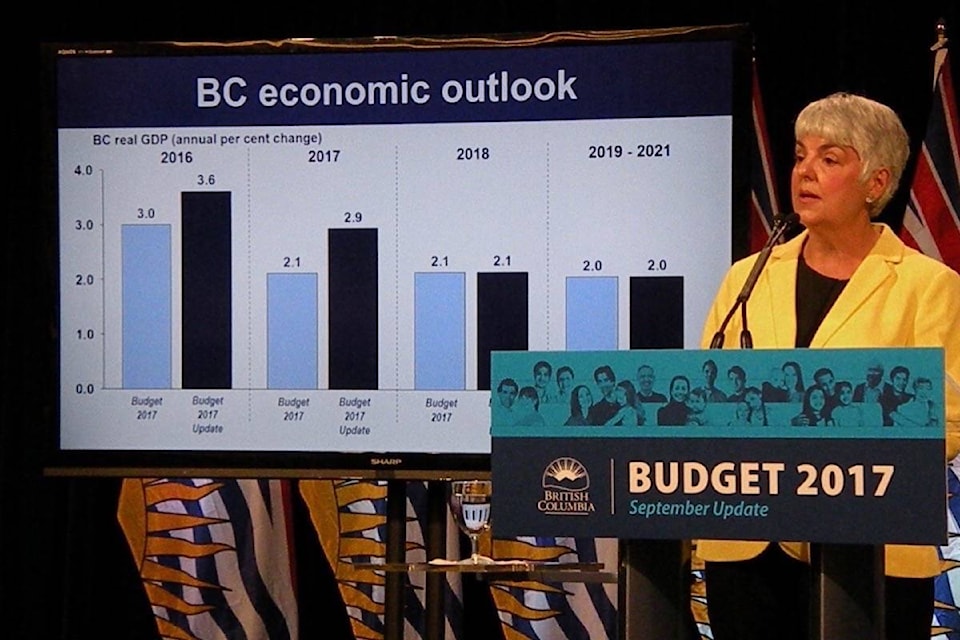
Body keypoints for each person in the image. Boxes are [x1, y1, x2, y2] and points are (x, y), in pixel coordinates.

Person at [699, 92, 960, 640]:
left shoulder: (928, 286)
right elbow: (709, 397)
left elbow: (950, 420)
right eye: (800, 156)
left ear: (875, 183)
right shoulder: (748, 277)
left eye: (830, 158)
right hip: (748, 544)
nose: (805, 171)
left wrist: (840, 466)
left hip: (874, 549)